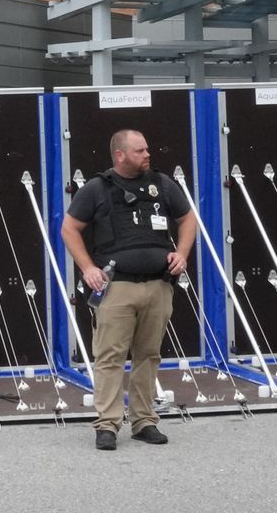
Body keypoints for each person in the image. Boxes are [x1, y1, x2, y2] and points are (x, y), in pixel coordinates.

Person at [60, 129, 196, 451]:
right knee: (109, 357)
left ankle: (144, 421)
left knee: (148, 356)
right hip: (116, 287)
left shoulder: (162, 184)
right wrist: (88, 268)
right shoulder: (96, 188)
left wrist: (183, 253)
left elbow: (188, 218)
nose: (148, 155)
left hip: (158, 285)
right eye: (140, 151)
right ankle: (107, 424)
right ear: (120, 155)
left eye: (147, 149)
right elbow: (69, 228)